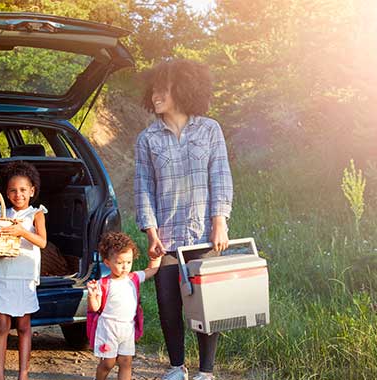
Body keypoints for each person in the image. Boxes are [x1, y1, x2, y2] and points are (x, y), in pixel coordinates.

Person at [134, 59, 233, 380]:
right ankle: (177, 367)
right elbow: (143, 188)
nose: (156, 95)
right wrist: (150, 232)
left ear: (183, 88)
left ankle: (206, 372)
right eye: (154, 89)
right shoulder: (147, 139)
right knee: (167, 304)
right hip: (167, 237)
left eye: (163, 89)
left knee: (207, 304)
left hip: (204, 232)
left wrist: (221, 221)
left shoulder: (210, 129)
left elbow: (220, 176)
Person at [0, 161, 47, 380]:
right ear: (6, 193)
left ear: (32, 191)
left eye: (23, 190)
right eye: (13, 190)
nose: (18, 194)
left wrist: (21, 231)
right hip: (1, 274)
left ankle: (23, 374)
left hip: (24, 274)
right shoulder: (1, 212)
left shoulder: (36, 214)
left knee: (24, 325)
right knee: (1, 325)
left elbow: (42, 242)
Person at [87, 232, 161, 380]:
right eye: (119, 263)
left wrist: (156, 258)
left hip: (128, 327)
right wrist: (92, 295)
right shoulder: (103, 283)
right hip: (108, 328)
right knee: (108, 363)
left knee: (126, 361)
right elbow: (95, 308)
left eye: (128, 262)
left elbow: (151, 270)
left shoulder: (133, 278)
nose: (125, 267)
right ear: (107, 262)